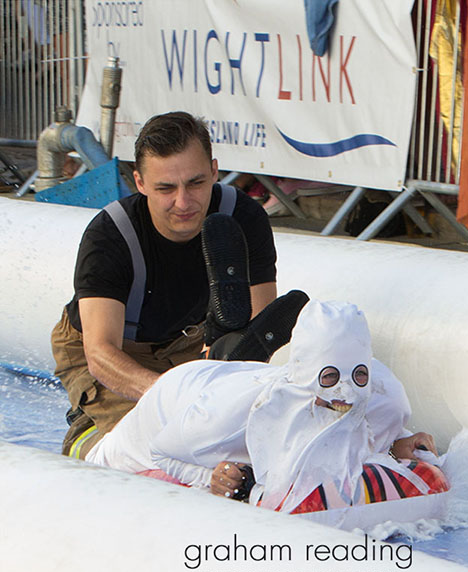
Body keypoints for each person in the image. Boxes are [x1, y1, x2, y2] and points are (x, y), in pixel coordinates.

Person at [52, 111, 303, 460]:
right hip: (111, 345)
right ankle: (85, 433)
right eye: (166, 188)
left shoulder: (243, 218)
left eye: (196, 183)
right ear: (139, 182)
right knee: (148, 441)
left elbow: (258, 329)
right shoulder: (110, 235)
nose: (183, 203)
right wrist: (173, 396)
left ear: (215, 171)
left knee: (228, 432)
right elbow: (100, 352)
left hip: (193, 337)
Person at [85, 300, 440, 514]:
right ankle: (82, 435)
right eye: (329, 377)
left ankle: (232, 351)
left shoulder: (383, 397)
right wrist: (210, 478)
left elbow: (357, 428)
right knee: (116, 471)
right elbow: (161, 451)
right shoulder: (225, 417)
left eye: (359, 375)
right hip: (167, 415)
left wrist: (397, 444)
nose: (345, 392)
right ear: (304, 375)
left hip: (235, 381)